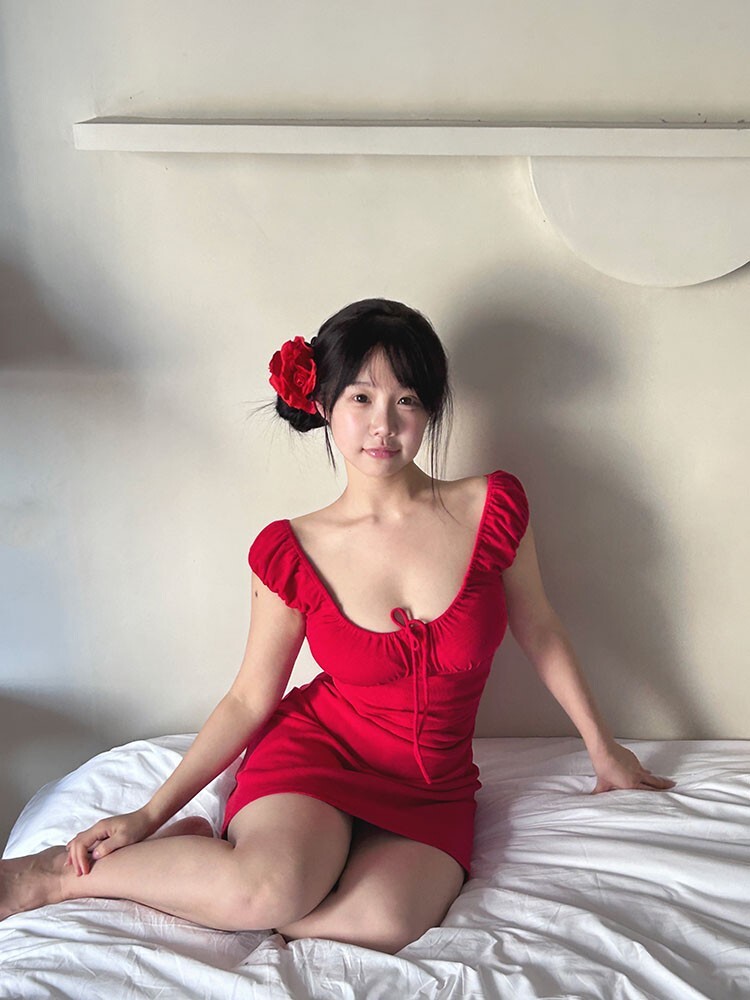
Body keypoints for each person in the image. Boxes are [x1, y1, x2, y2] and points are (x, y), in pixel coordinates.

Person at [0, 298, 675, 953]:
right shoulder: (291, 551)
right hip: (317, 757)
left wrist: (603, 748)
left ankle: (205, 869)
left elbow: (541, 630)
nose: (384, 424)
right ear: (323, 404)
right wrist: (150, 813)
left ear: (431, 410)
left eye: (407, 400)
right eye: (361, 397)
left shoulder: (492, 509)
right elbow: (249, 697)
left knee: (380, 923)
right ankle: (52, 876)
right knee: (270, 891)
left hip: (432, 788)